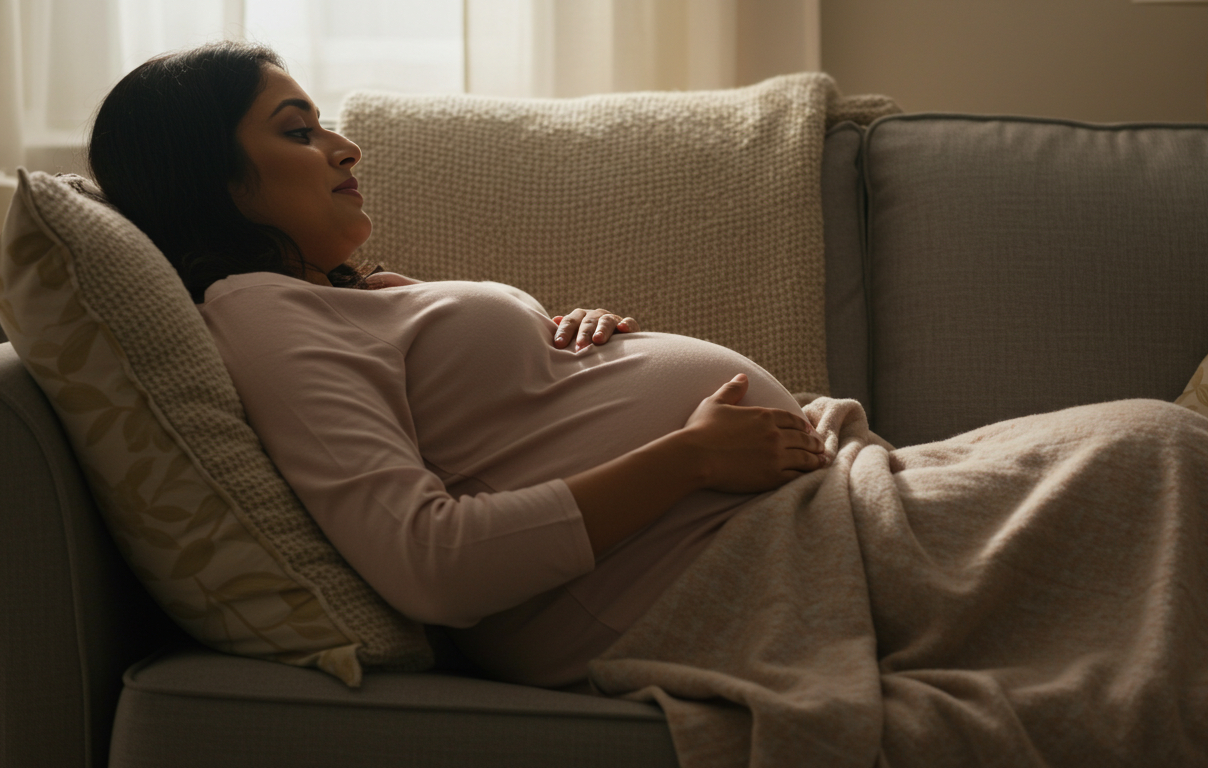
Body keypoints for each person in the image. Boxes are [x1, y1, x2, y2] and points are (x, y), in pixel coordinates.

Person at [87, 42, 828, 689]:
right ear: (207, 177)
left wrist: (560, 340)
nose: (346, 148)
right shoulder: (258, 314)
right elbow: (429, 562)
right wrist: (691, 457)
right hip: (705, 576)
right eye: (298, 131)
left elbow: (490, 421)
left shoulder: (333, 296)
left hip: (765, 516)